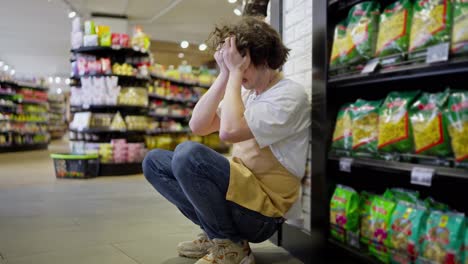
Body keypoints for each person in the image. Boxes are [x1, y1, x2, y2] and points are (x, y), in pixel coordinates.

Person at [142, 16, 311, 264]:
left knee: (189, 155)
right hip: (241, 193)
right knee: (154, 161)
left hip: (263, 212)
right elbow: (198, 125)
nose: (238, 70)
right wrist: (224, 75)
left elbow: (229, 131)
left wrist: (234, 74)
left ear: (263, 58)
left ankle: (230, 246)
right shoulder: (248, 92)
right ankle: (218, 237)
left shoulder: (289, 95)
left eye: (242, 63)